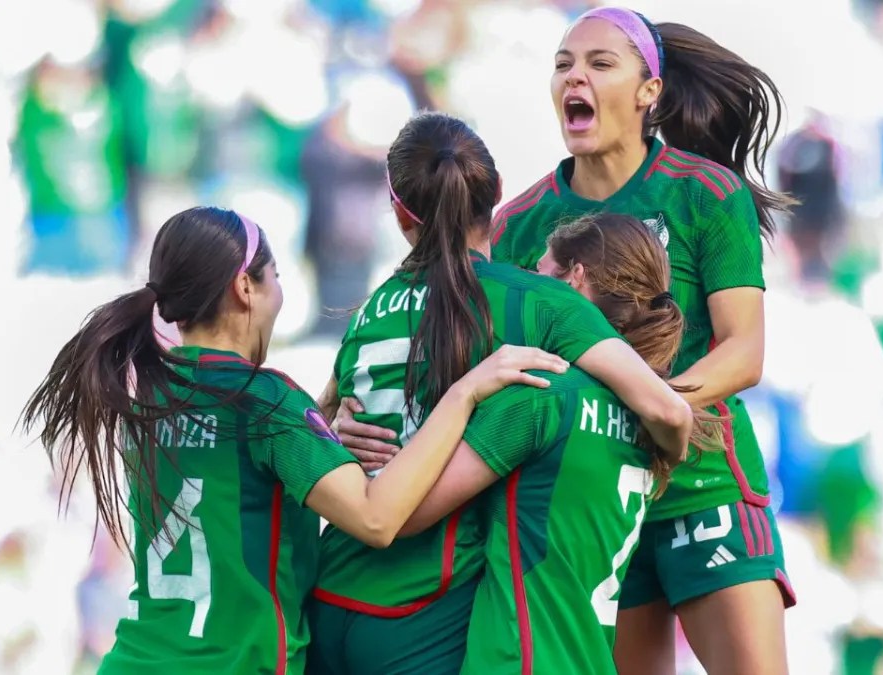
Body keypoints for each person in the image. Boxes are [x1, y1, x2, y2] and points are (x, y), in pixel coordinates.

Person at [18, 206, 567, 674]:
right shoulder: (263, 400)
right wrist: (465, 393)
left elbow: (231, 475)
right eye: (275, 277)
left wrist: (323, 432)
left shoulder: (149, 396)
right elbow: (376, 519)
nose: (279, 294)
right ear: (244, 288)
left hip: (137, 658)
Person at [309, 112, 695, 675]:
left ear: (398, 211)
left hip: (331, 593)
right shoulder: (536, 302)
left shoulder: (370, 310)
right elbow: (664, 407)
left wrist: (339, 433)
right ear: (496, 194)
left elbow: (319, 422)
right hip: (425, 612)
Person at [492, 8, 799, 674]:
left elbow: (743, 354)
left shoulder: (705, 192)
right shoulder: (516, 224)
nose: (576, 75)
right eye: (564, 64)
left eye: (601, 63)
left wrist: (640, 407)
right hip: (597, 501)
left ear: (648, 92)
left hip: (705, 482)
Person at [394, 213, 717, 674]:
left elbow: (403, 512)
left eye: (540, 272)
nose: (529, 284)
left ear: (575, 279)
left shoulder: (541, 398)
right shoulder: (646, 426)